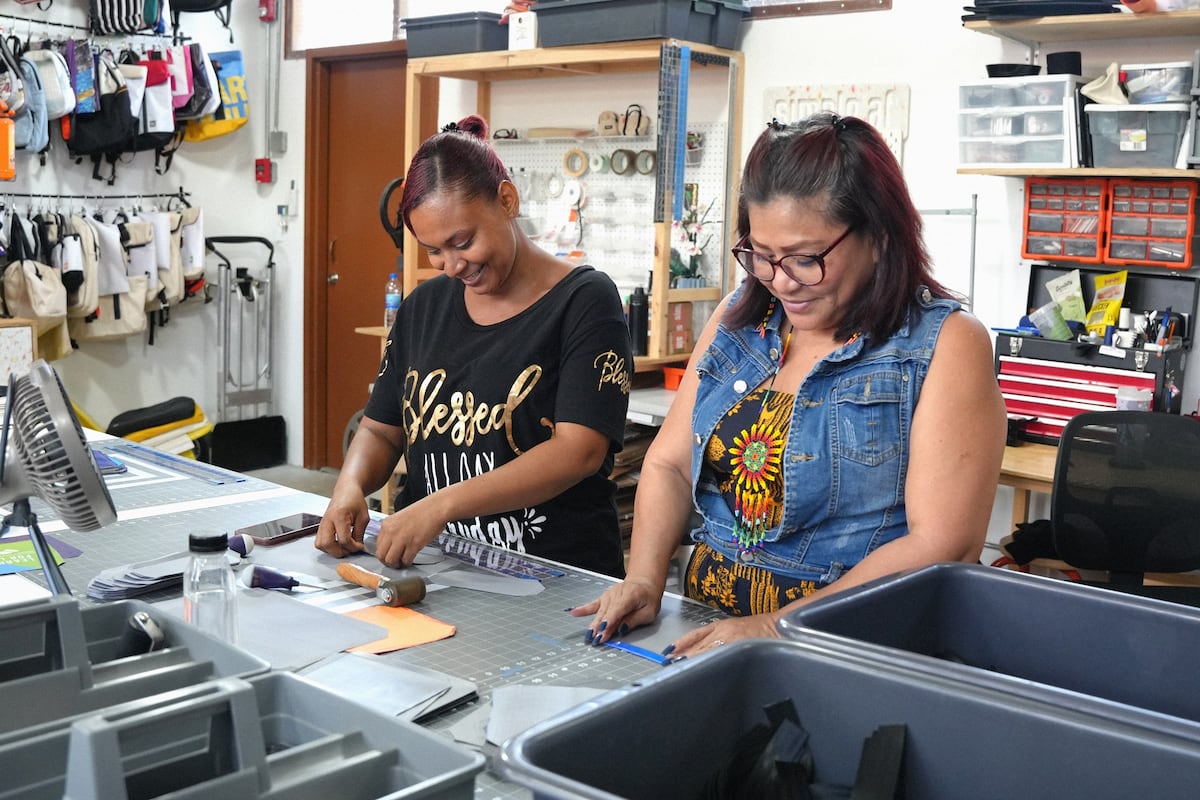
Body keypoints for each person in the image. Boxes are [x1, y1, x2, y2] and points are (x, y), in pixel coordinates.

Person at [573, 112, 1007, 654]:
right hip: (704, 626)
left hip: (845, 645)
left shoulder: (943, 343)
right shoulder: (740, 318)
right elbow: (668, 464)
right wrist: (644, 577)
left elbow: (945, 542)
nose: (780, 281)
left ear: (879, 236)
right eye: (761, 256)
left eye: (805, 259)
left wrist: (778, 626)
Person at [315, 115, 633, 577]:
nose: (450, 265)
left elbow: (577, 451)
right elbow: (381, 429)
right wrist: (349, 486)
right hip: (436, 567)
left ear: (507, 200)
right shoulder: (423, 307)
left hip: (552, 573)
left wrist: (440, 507)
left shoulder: (585, 301)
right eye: (432, 250)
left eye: (461, 242)